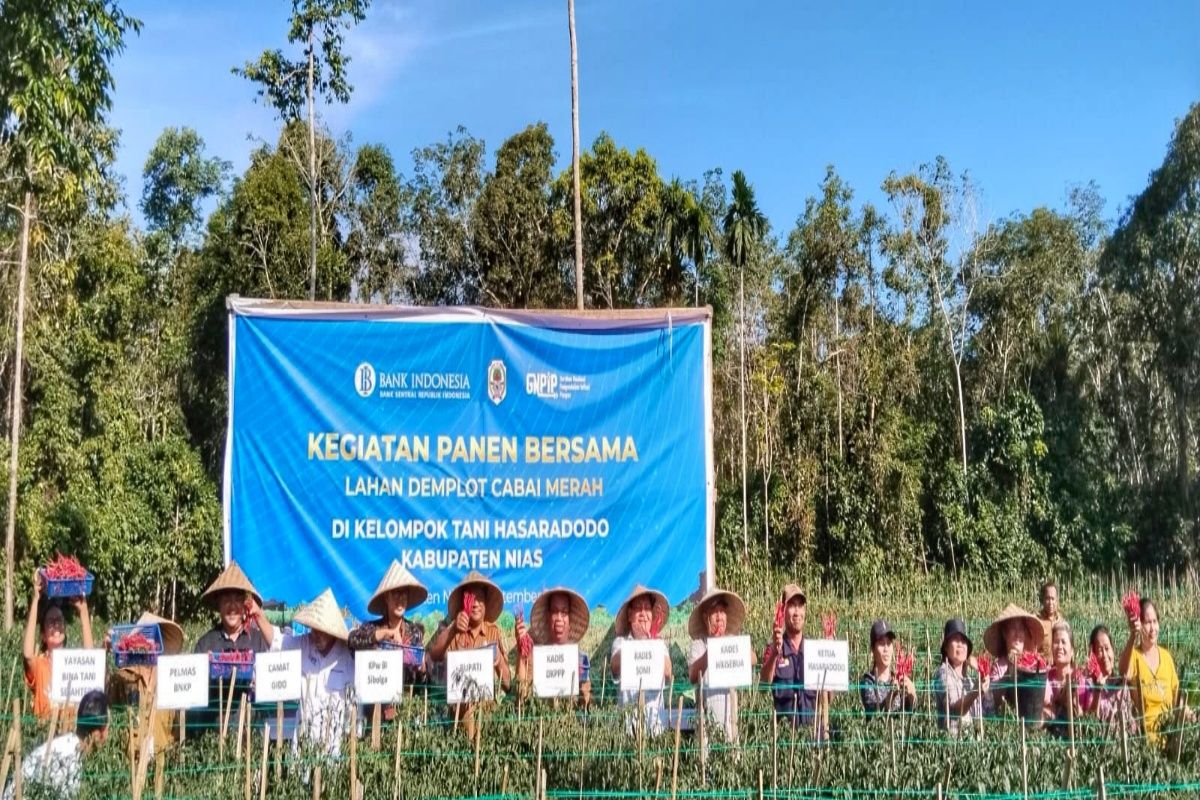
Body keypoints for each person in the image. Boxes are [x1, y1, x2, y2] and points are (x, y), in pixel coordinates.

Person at [192, 561, 275, 734]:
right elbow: (194, 690)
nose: (232, 607)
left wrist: (259, 683)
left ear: (245, 606)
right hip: (214, 730)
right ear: (219, 606)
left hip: (251, 731)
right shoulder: (206, 643)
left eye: (237, 600)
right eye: (226, 601)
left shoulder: (258, 640)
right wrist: (207, 672)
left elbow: (270, 683)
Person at [428, 571, 511, 737]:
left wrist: (499, 661)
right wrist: (452, 630)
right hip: (455, 720)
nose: (475, 604)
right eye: (471, 598)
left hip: (486, 720)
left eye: (480, 598)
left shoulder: (493, 633)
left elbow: (508, 684)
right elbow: (434, 655)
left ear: (486, 604)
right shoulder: (451, 630)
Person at [274, 588, 354, 755]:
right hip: (303, 741)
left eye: (321, 631)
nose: (315, 635)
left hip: (335, 747)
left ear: (331, 632)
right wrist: (258, 615)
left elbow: (353, 706)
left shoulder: (347, 657)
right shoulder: (303, 644)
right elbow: (277, 642)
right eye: (313, 629)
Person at [4, 689, 109, 799]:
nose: (108, 734)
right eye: (107, 728)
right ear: (97, 734)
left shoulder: (69, 746)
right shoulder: (69, 762)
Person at [106, 612, 184, 755]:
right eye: (145, 637)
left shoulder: (170, 679)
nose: (150, 644)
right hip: (130, 764)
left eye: (156, 638)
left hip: (161, 765)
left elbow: (177, 729)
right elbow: (102, 701)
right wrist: (103, 650)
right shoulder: (123, 678)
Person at [347, 561, 429, 694]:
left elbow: (421, 684)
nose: (400, 599)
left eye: (404, 594)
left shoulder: (415, 632)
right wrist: (381, 634)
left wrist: (423, 671)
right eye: (395, 593)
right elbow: (352, 641)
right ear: (386, 597)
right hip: (376, 705)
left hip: (407, 706)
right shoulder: (373, 628)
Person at [23, 568, 94, 720]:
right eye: (51, 621)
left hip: (69, 732)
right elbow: (28, 654)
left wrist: (83, 611)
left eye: (59, 620)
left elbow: (90, 657)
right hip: (44, 733)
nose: (56, 625)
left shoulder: (72, 663)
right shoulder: (40, 665)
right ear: (42, 635)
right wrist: (35, 599)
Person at [1119, 596, 1189, 747]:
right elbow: (1124, 672)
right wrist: (1133, 635)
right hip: (1145, 742)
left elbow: (1177, 696)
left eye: (1155, 622)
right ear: (1140, 625)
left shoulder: (1167, 657)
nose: (1152, 628)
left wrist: (1189, 715)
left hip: (1172, 738)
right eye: (1147, 622)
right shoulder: (1135, 656)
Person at [687, 587, 752, 744]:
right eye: (714, 612)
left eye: (722, 612)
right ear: (705, 617)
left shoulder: (732, 640)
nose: (719, 617)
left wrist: (735, 647)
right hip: (706, 724)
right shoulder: (699, 645)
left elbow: (753, 658)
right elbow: (693, 674)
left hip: (731, 722)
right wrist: (712, 651)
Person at [610, 584, 672, 736]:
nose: (643, 614)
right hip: (628, 728)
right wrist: (638, 644)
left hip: (655, 728)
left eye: (647, 608)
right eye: (638, 609)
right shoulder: (620, 643)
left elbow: (668, 671)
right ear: (630, 615)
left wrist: (650, 641)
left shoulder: (660, 644)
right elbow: (615, 665)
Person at [514, 587, 592, 706]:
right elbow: (521, 695)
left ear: (570, 620)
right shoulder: (536, 657)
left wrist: (583, 685)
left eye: (564, 613)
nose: (559, 618)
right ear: (548, 616)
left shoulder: (579, 658)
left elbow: (587, 704)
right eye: (555, 612)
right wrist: (521, 651)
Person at [760, 584, 818, 732]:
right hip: (785, 737)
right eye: (792, 606)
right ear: (783, 610)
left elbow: (827, 698)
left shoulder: (815, 650)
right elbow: (763, 687)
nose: (797, 612)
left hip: (812, 734)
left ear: (805, 611)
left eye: (800, 606)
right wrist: (775, 652)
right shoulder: (772, 649)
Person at [982, 603, 1044, 714]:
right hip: (1008, 719)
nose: (1017, 634)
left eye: (1021, 629)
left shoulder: (1034, 662)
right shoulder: (998, 666)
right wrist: (1008, 671)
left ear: (1025, 634)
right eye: (1012, 629)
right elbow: (993, 699)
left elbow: (1044, 695)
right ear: (1005, 634)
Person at [934, 618, 988, 736]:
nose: (961, 645)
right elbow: (954, 710)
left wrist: (983, 675)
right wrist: (975, 691)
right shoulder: (942, 674)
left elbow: (985, 711)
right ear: (946, 648)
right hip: (952, 744)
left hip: (971, 744)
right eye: (955, 640)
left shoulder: (969, 679)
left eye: (963, 641)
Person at [1081, 624, 1133, 733]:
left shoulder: (1122, 681)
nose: (1105, 655)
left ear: (1113, 650)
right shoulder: (1087, 685)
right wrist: (1097, 691)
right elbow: (1090, 722)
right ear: (1093, 655)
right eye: (1100, 650)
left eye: (1107, 648)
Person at [859, 620, 916, 715]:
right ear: (873, 649)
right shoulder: (868, 682)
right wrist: (891, 695)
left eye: (889, 643)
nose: (886, 649)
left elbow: (910, 714)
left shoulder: (898, 678)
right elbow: (875, 714)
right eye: (881, 643)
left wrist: (912, 695)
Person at [1042, 620, 1086, 738]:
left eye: (1063, 642)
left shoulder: (1079, 678)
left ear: (1072, 651)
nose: (1059, 646)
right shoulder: (1045, 676)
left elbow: (1084, 715)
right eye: (1056, 642)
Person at [1036, 582, 1062, 660]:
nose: (1050, 603)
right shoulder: (1036, 621)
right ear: (1042, 600)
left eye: (1053, 599)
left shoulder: (1061, 622)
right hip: (1041, 668)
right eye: (1047, 598)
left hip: (1058, 668)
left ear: (1057, 600)